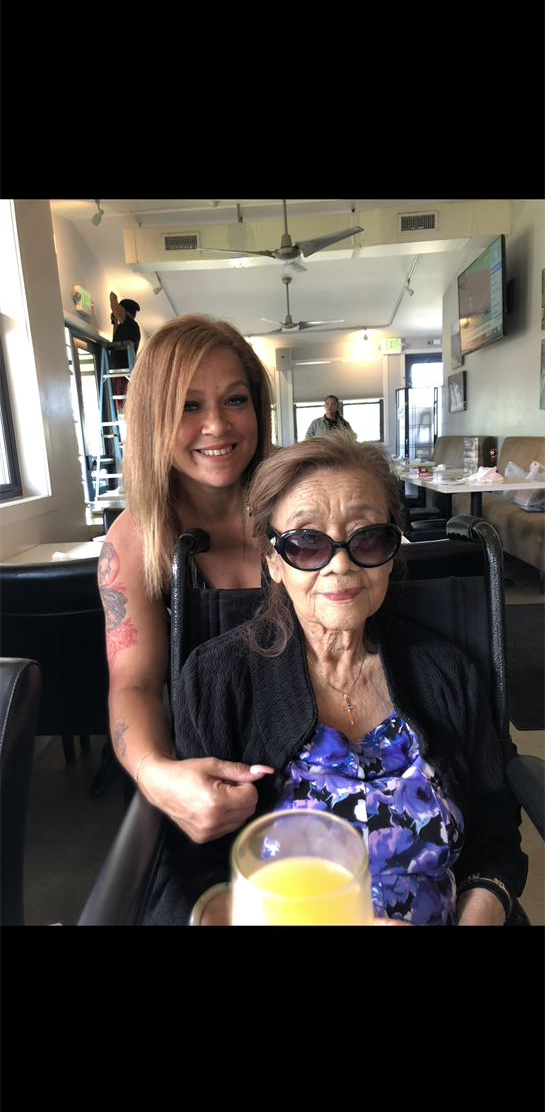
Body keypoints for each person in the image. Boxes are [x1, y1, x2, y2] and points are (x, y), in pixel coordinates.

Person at [146, 432, 527, 926]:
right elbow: (184, 870)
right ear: (273, 560)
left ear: (392, 549)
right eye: (306, 543)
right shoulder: (218, 679)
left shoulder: (448, 671)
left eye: (368, 538)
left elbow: (496, 831)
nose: (341, 564)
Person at [98, 313, 275, 876]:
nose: (217, 425)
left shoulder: (297, 507)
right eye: (188, 406)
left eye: (235, 400)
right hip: (208, 793)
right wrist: (156, 775)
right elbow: (134, 684)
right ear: (153, 420)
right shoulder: (136, 538)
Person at [109, 294, 141, 411]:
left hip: (123, 371)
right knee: (121, 402)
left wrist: (113, 299)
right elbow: (115, 339)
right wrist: (115, 323)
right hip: (121, 370)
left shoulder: (131, 325)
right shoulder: (126, 327)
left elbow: (117, 310)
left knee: (123, 402)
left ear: (126, 312)